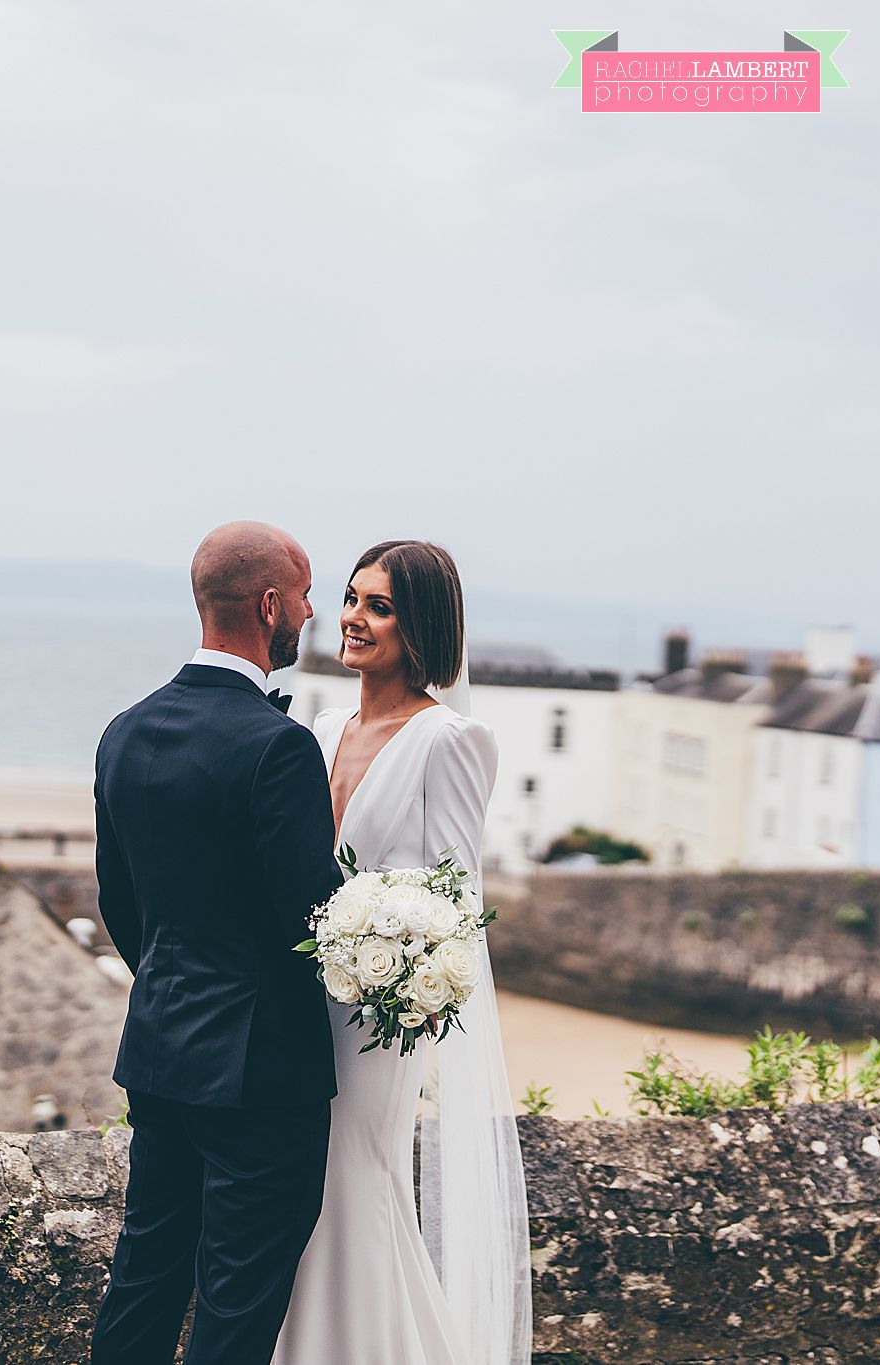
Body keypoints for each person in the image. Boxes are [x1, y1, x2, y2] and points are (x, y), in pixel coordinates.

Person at [90, 521, 344, 1365]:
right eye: (306, 594)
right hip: (260, 1077)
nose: (311, 611)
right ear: (271, 604)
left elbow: (120, 905)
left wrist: (176, 984)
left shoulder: (124, 731)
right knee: (237, 1306)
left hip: (160, 1052)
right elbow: (312, 922)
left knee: (147, 1274)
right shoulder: (279, 746)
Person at [272, 539, 532, 1365]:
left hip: (377, 1019)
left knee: (354, 1177)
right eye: (351, 598)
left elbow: (455, 900)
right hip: (298, 1004)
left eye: (379, 606)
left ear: (421, 624)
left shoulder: (450, 739)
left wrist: (384, 949)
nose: (353, 618)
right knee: (303, 1185)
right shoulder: (317, 729)